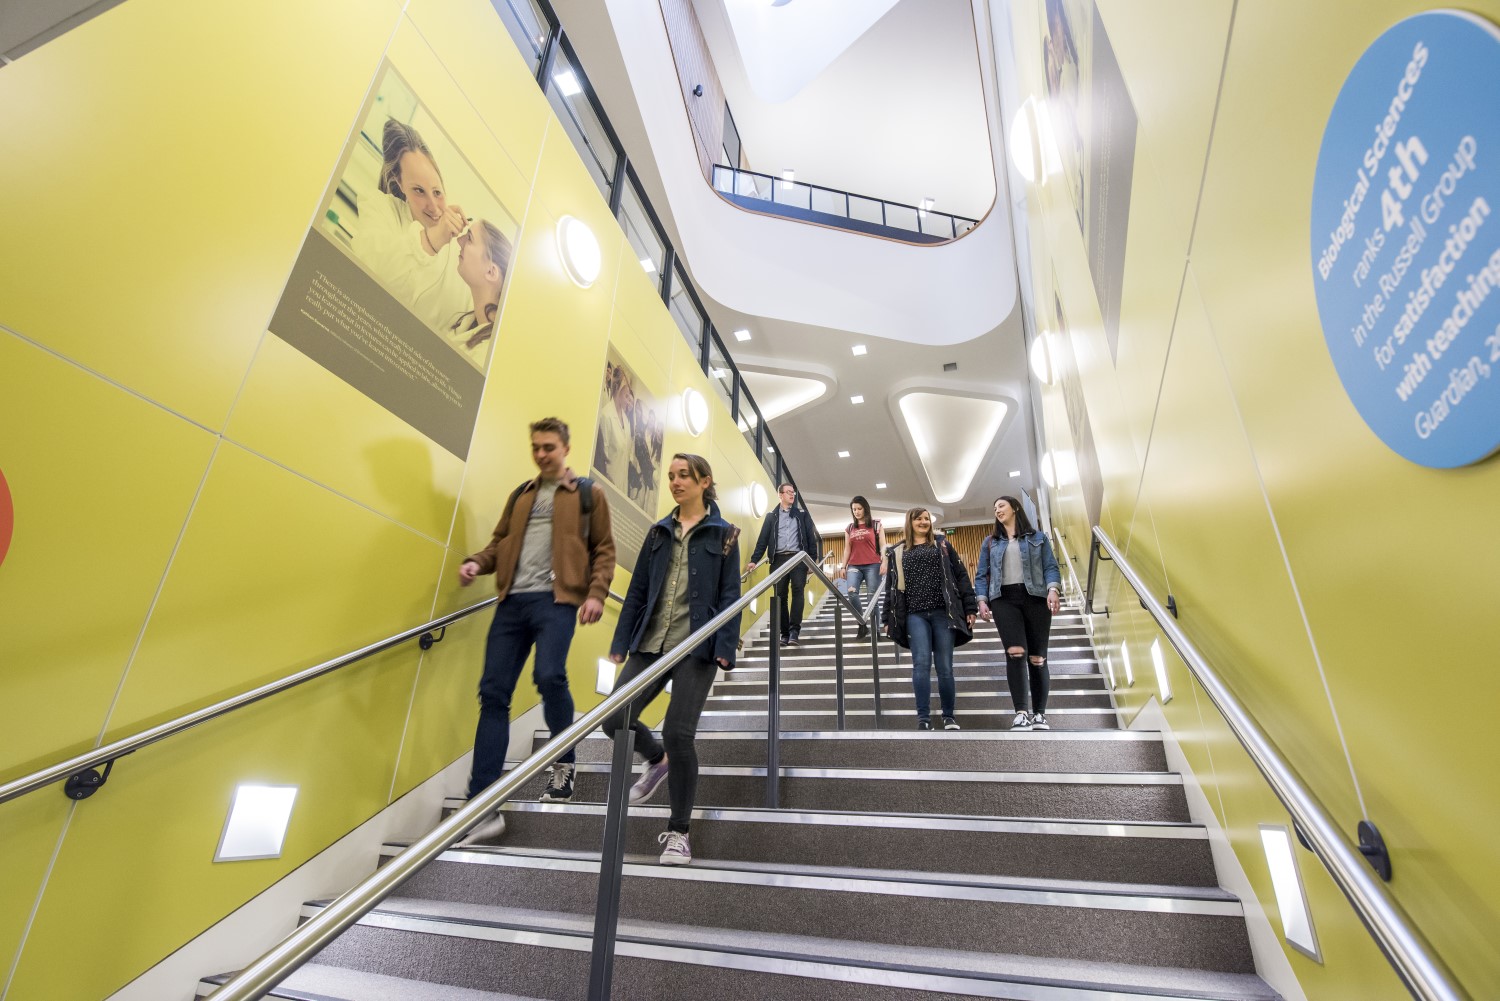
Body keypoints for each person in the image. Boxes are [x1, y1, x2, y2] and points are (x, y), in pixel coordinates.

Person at [457, 417, 616, 843]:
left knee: (549, 676)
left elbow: (604, 549)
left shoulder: (588, 494)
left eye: (549, 447)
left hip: (556, 601)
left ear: (565, 448)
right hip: (511, 602)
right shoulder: (521, 495)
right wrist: (476, 563)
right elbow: (499, 543)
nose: (541, 454)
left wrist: (596, 593)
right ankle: (482, 805)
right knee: (493, 693)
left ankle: (563, 762)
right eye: (536, 447)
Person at [604, 454, 742, 866]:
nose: (675, 482)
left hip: (696, 646)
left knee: (679, 734)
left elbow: (730, 595)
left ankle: (679, 833)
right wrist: (621, 640)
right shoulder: (658, 532)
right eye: (671, 476)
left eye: (684, 476)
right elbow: (638, 590)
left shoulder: (725, 534)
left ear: (705, 481)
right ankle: (656, 759)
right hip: (650, 643)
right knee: (614, 718)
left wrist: (724, 647)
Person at [350, 118, 472, 336]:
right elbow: (370, 273)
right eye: (419, 191)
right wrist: (431, 241)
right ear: (400, 183)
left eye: (437, 192)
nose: (433, 206)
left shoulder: (460, 249)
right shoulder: (380, 208)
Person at [881, 508, 977, 731]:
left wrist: (970, 606)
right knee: (921, 665)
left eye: (927, 519)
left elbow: (961, 575)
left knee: (945, 667)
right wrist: (886, 617)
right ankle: (923, 719)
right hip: (915, 615)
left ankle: (949, 717)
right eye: (919, 519)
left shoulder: (942, 544)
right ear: (910, 522)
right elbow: (891, 587)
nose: (924, 522)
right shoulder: (898, 551)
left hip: (943, 612)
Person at [974, 496, 1062, 731]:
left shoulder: (1038, 538)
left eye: (1001, 505)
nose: (997, 510)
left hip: (1036, 598)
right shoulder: (990, 542)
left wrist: (1053, 590)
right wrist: (981, 600)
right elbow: (981, 574)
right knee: (1015, 653)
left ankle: (1040, 714)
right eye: (995, 508)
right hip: (1004, 600)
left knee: (1037, 658)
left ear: (1015, 508)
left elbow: (1050, 567)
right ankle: (1021, 713)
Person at [746, 484, 820, 646]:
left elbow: (810, 538)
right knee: (780, 596)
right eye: (788, 492)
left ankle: (794, 631)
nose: (792, 495)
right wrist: (754, 560)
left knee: (798, 591)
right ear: (780, 495)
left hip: (798, 558)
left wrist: (812, 560)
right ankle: (784, 633)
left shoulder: (802, 514)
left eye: (793, 492)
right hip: (778, 559)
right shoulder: (771, 516)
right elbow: (763, 540)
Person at [445, 218, 512, 371]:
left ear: (491, 272)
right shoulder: (466, 324)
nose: (459, 241)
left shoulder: (485, 354)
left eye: (469, 238)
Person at [843, 495, 884, 638]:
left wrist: (885, 562)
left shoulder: (876, 525)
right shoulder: (849, 528)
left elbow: (883, 546)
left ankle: (876, 630)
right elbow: (847, 549)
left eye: (859, 508)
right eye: (854, 509)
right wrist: (843, 566)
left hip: (873, 564)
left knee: (872, 598)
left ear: (865, 508)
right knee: (851, 593)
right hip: (854, 565)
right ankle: (862, 624)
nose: (856, 512)